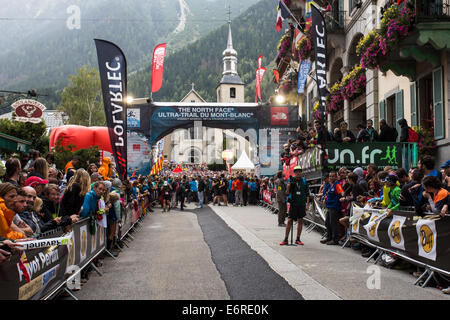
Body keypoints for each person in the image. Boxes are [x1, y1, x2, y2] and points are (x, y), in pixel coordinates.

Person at [280, 166, 310, 246]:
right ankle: (286, 239)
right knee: (289, 220)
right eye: (296, 171)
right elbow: (286, 193)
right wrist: (289, 187)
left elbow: (307, 194)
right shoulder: (291, 180)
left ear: (301, 172)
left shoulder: (304, 181)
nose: (298, 173)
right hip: (293, 203)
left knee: (300, 220)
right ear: (294, 172)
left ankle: (298, 239)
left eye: (299, 171)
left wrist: (307, 204)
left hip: (301, 204)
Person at [321, 171, 345, 245]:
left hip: (334, 207)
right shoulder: (329, 185)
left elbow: (342, 193)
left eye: (333, 176)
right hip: (329, 207)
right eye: (330, 176)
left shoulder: (337, 185)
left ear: (336, 177)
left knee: (333, 224)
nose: (331, 178)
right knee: (327, 223)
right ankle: (329, 237)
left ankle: (335, 240)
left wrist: (343, 197)